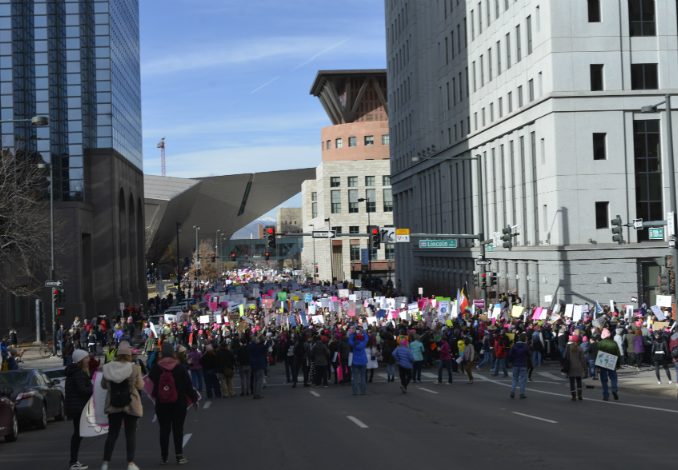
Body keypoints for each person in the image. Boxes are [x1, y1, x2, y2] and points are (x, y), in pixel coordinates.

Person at [149, 342, 198, 465]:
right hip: (179, 402)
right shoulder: (179, 366)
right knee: (178, 429)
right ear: (172, 352)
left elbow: (150, 379)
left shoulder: (157, 366)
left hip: (162, 402)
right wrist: (194, 398)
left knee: (164, 430)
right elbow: (188, 385)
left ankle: (164, 456)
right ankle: (179, 456)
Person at [100, 341, 144, 470]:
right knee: (130, 435)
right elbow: (140, 385)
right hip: (130, 404)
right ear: (129, 355)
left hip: (113, 404)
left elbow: (103, 385)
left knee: (112, 434)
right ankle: (130, 463)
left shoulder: (108, 368)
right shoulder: (134, 368)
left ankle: (105, 462)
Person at [65, 349, 93, 470]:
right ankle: (73, 461)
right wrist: (93, 387)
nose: (88, 360)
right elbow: (83, 390)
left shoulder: (75, 372)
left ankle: (74, 461)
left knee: (78, 434)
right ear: (81, 360)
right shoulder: (78, 374)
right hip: (78, 408)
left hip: (75, 407)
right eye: (86, 358)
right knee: (78, 435)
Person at [597, 328, 621, 401]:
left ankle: (606, 395)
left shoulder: (600, 343)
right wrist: (618, 364)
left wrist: (597, 366)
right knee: (613, 378)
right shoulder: (614, 343)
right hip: (612, 360)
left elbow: (597, 355)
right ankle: (614, 389)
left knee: (604, 380)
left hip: (602, 361)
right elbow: (618, 354)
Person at [563, 335, 587, 401]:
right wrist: (585, 368)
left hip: (571, 367)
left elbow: (564, 356)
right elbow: (583, 359)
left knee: (572, 382)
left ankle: (573, 396)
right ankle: (580, 395)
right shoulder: (580, 348)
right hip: (579, 367)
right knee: (579, 381)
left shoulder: (568, 348)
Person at [508, 333, 530, 399]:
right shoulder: (526, 346)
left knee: (514, 379)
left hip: (515, 364)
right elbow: (529, 354)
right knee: (523, 380)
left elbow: (510, 354)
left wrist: (510, 361)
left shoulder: (514, 346)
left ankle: (512, 392)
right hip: (523, 364)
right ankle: (521, 393)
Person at [348, 327, 369, 395]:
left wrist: (354, 334)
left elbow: (349, 340)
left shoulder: (353, 343)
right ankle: (363, 391)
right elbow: (366, 337)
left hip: (355, 361)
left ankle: (355, 392)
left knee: (355, 377)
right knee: (363, 377)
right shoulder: (364, 342)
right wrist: (363, 332)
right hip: (363, 361)